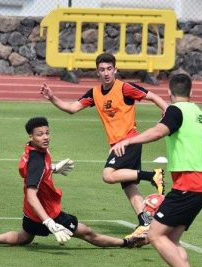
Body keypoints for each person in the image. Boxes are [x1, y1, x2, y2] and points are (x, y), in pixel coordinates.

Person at [110, 74, 202, 267]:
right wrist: (192, 158)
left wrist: (128, 142)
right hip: (200, 185)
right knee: (171, 239)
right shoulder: (199, 113)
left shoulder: (175, 110)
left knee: (154, 235)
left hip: (188, 186)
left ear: (170, 93)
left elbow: (158, 132)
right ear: (192, 91)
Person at [0, 117, 146, 249]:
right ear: (31, 136)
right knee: (88, 233)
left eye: (47, 133)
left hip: (31, 214)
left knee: (24, 237)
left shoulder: (32, 151)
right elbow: (32, 193)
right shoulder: (38, 161)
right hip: (47, 212)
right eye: (40, 134)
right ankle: (127, 243)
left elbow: (28, 172)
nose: (46, 137)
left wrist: (54, 168)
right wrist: (49, 222)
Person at [40, 53, 168, 239]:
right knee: (129, 186)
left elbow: (152, 96)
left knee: (108, 175)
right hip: (118, 144)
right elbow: (72, 108)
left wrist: (167, 111)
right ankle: (145, 222)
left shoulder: (124, 88)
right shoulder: (95, 93)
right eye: (102, 70)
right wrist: (52, 97)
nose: (106, 73)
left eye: (109, 69)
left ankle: (153, 175)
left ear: (115, 70)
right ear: (97, 72)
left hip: (128, 142)